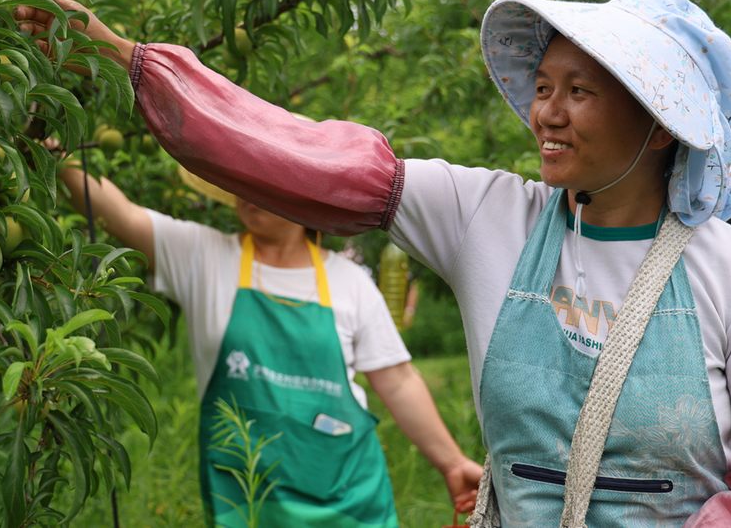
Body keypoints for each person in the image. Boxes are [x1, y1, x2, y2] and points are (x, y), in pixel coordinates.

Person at [16, 0, 731, 525]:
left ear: (659, 120)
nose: (546, 114)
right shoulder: (489, 215)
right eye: (543, 86)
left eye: (580, 91)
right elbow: (292, 154)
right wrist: (116, 54)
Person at [50, 153, 482, 526]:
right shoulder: (204, 255)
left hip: (349, 500)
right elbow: (120, 215)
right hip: (247, 496)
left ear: (302, 196)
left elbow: (398, 380)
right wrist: (57, 151)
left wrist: (451, 462)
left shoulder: (348, 281)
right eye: (246, 177)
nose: (251, 188)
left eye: (268, 178)